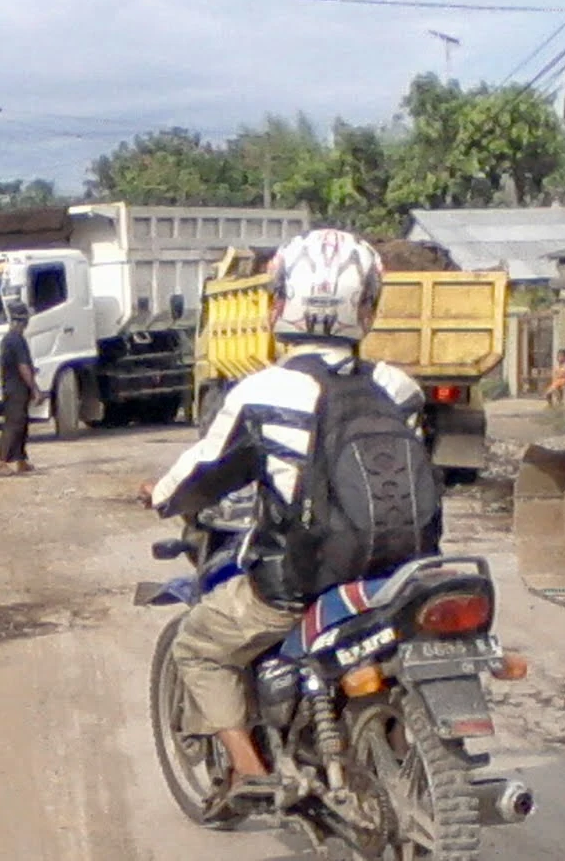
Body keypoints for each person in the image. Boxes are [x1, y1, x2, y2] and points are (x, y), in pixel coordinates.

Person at [137, 229, 427, 813]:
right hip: (398, 578)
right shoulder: (399, 387)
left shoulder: (264, 390)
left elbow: (204, 472)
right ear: (366, 311)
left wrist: (158, 496)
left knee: (198, 643)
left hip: (301, 583)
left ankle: (248, 771)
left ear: (278, 306)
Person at [0, 300, 40, 474]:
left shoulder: (12, 339)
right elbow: (23, 367)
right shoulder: (15, 340)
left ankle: (21, 460)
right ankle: (1, 462)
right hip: (15, 389)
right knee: (14, 424)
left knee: (21, 424)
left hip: (15, 388)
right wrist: (35, 388)